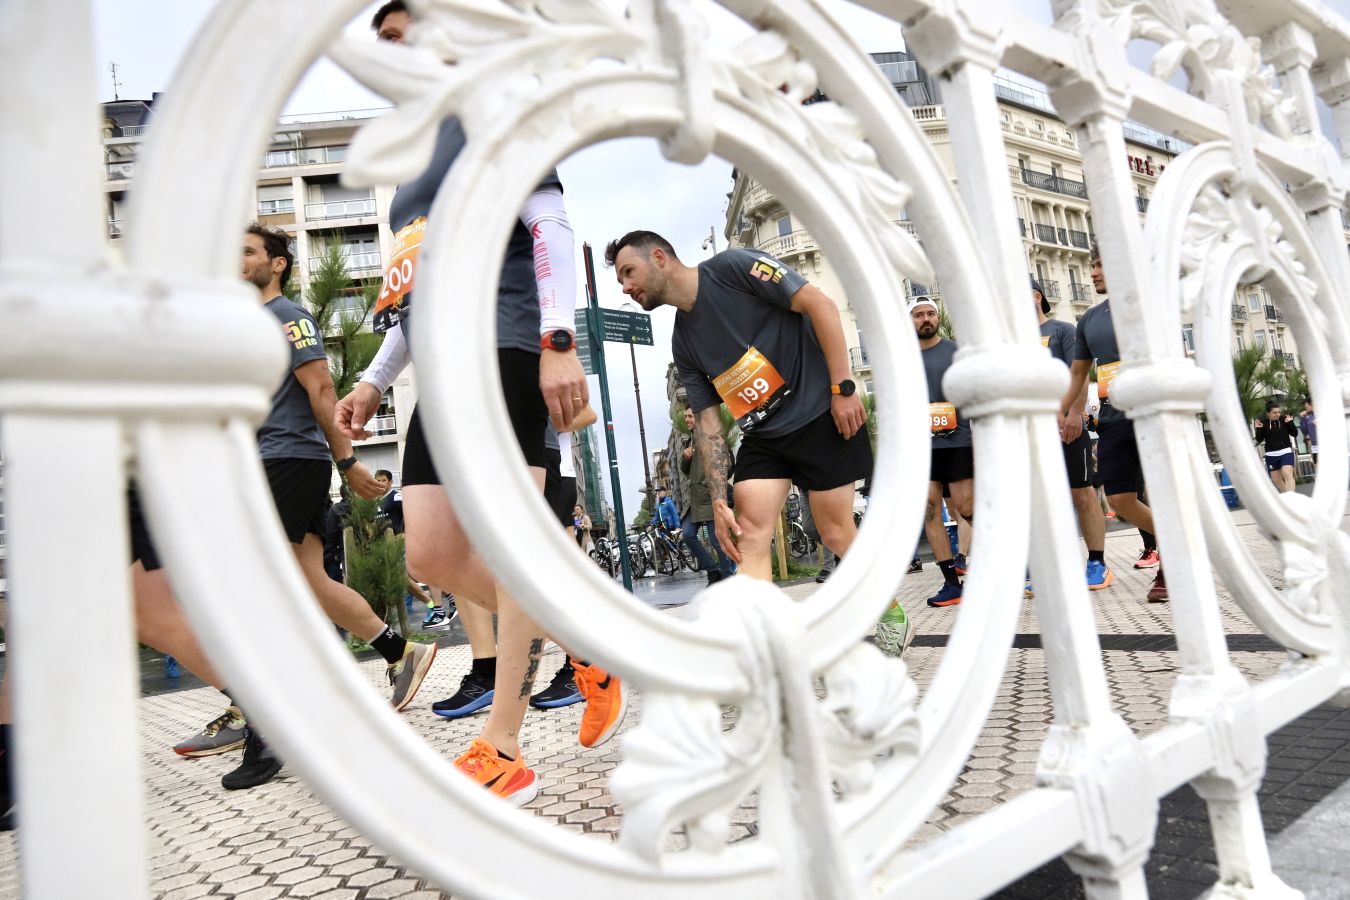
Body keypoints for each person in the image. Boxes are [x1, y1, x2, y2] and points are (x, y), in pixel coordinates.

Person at [332, 0, 627, 807]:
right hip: (440, 367)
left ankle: (504, 745)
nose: (392, 55)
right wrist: (374, 379)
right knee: (429, 554)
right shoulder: (409, 170)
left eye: (402, 37)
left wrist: (559, 341)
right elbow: (414, 299)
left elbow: (551, 227)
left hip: (506, 347)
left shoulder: (495, 111)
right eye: (382, 45)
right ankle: (594, 647)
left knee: (511, 547)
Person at [185, 225, 441, 789]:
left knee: (259, 589)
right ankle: (400, 651)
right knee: (307, 580)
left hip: (288, 460)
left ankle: (267, 731)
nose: (236, 259)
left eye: (248, 251)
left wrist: (347, 461)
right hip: (264, 461)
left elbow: (322, 389)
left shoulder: (288, 316)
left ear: (276, 263)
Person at [605, 232, 909, 646]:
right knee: (748, 532)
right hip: (764, 433)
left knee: (835, 531)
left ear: (659, 257)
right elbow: (709, 424)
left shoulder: (733, 267)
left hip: (819, 413)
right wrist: (718, 499)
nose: (625, 287)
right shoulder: (684, 343)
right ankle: (765, 646)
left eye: (628, 272)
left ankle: (892, 613)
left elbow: (820, 304)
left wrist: (843, 388)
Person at [1060, 246, 1167, 602]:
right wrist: (1066, 411)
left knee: (1164, 492)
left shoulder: (1150, 307)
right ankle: (1173, 543)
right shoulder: (1089, 319)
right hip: (1113, 418)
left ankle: (1171, 564)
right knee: (1120, 499)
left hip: (1153, 414)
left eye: (1100, 265)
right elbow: (1079, 372)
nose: (1092, 272)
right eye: (1092, 265)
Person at [1029, 277, 1112, 594]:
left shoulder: (1062, 330)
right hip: (1030, 431)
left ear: (1036, 296)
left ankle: (1097, 562)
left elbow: (1078, 374)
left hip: (1064, 425)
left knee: (1082, 493)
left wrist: (1073, 414)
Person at [911, 296, 973, 608]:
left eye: (930, 314)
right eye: (919, 315)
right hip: (921, 446)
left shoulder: (956, 352)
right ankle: (951, 583)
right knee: (930, 509)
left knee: (966, 506)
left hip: (958, 440)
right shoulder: (902, 357)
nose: (926, 319)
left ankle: (1013, 562)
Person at [677, 404, 737, 584]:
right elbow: (686, 471)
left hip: (712, 496)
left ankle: (727, 576)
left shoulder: (713, 436)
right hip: (695, 499)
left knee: (717, 539)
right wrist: (685, 459)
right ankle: (712, 570)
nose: (686, 420)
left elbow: (728, 466)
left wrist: (710, 482)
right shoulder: (690, 440)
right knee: (688, 534)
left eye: (690, 416)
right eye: (686, 416)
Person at [1254, 401, 1298, 493]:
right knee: (1276, 480)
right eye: (1274, 412)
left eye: (1278, 412)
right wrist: (1258, 429)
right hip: (1271, 454)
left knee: (1287, 472)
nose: (1277, 414)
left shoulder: (1284, 419)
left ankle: (1291, 497)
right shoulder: (1263, 423)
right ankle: (1287, 497)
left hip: (1286, 451)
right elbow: (1259, 439)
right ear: (1268, 413)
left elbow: (1294, 434)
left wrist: (1290, 423)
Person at [1299, 397, 1318, 471]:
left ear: (1312, 404)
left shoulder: (1323, 412)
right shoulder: (1308, 416)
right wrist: (1302, 418)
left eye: (1306, 405)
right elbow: (1304, 431)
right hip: (1314, 445)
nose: (1305, 407)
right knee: (1317, 466)